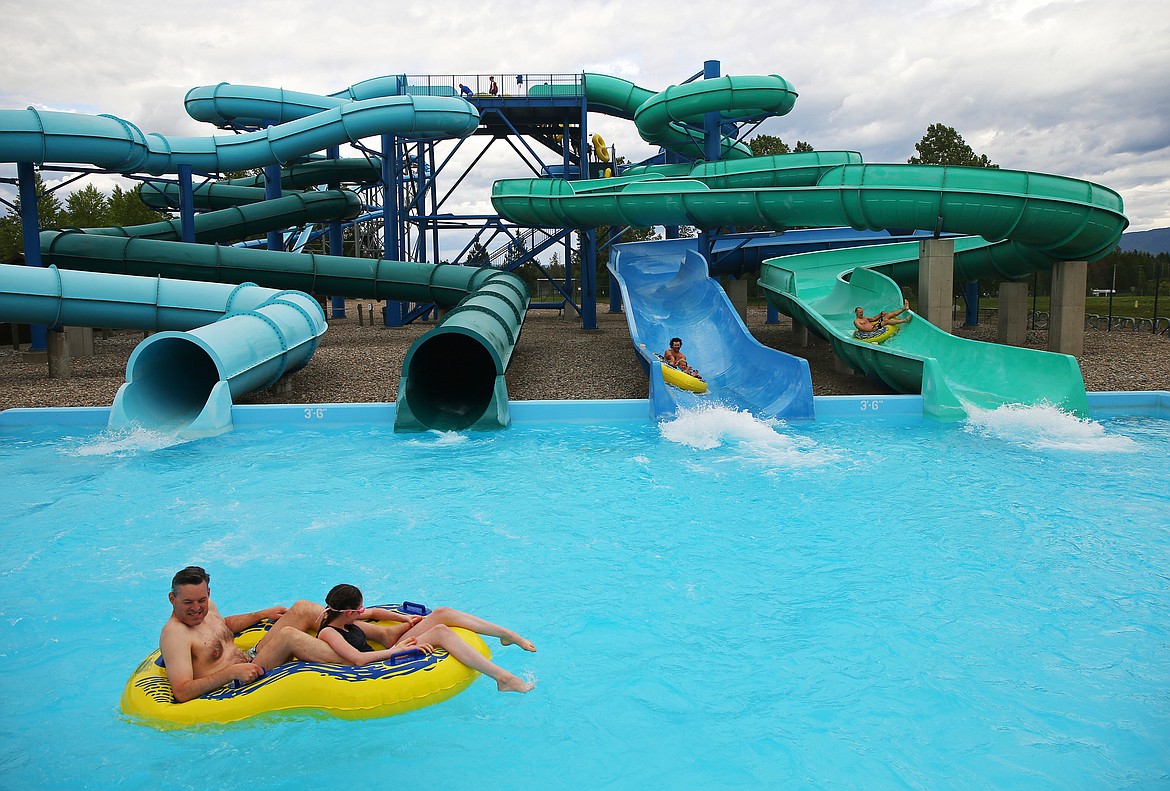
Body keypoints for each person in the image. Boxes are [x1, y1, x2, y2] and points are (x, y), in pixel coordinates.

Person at [159, 566, 343, 703]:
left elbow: (224, 625)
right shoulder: (174, 634)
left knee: (303, 608)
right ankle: (357, 660)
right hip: (234, 685)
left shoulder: (206, 606)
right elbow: (182, 691)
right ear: (172, 599)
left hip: (251, 658)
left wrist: (261, 614)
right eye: (188, 602)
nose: (197, 608)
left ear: (208, 593)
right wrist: (230, 673)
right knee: (288, 636)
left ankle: (361, 631)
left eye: (201, 600)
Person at [315, 583, 535, 692]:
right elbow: (358, 659)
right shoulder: (328, 632)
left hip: (390, 649)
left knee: (442, 613)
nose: (364, 611)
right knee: (441, 632)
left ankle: (507, 635)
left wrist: (404, 619)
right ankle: (503, 679)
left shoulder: (343, 618)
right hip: (379, 663)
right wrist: (396, 650)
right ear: (349, 612)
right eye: (360, 608)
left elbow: (374, 613)